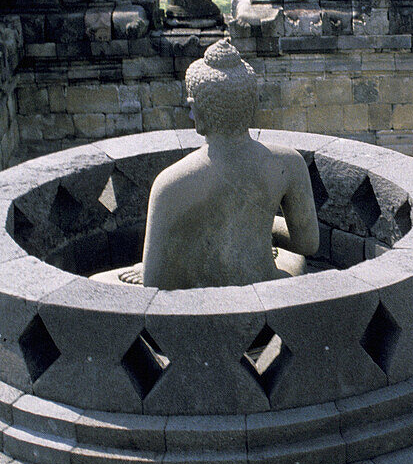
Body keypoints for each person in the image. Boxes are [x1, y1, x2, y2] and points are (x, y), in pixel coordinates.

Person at [97, 38, 319, 289]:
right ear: (253, 103)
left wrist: (147, 269)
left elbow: (155, 281)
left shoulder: (171, 183)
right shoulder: (289, 163)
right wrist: (259, 228)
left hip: (201, 310)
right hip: (264, 294)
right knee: (293, 258)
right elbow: (307, 244)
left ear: (197, 111)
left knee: (98, 282)